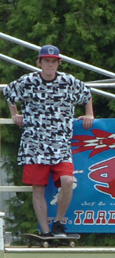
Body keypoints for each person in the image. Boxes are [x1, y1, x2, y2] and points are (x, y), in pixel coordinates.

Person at [2, 44, 93, 237]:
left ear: (58, 63)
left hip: (61, 144)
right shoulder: (28, 81)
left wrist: (89, 114)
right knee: (38, 188)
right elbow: (9, 93)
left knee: (68, 181)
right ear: (39, 62)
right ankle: (45, 231)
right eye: (46, 61)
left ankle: (59, 223)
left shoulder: (68, 81)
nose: (50, 65)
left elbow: (86, 94)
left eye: (53, 61)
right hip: (34, 144)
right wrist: (14, 114)